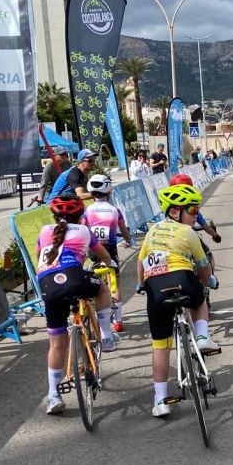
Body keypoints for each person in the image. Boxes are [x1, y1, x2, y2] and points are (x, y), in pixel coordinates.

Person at [137, 184, 220, 418]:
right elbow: (203, 266)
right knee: (199, 299)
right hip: (183, 280)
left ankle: (161, 400)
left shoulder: (152, 231)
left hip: (155, 288)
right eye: (192, 210)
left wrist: (141, 284)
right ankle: (202, 337)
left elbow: (141, 262)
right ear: (175, 212)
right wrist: (209, 282)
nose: (196, 215)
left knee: (160, 346)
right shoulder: (188, 233)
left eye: (197, 210)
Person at [36, 193, 115, 415]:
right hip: (74, 278)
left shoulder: (44, 231)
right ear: (80, 216)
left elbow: (38, 255)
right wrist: (110, 264)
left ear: (54, 216)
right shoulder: (84, 230)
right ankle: (107, 335)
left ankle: (53, 396)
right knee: (101, 288)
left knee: (56, 344)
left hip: (48, 284)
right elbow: (103, 256)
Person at [83, 173, 133, 333]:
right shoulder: (114, 210)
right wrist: (128, 241)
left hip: (93, 249)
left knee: (93, 280)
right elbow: (124, 231)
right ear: (108, 191)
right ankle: (118, 321)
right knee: (114, 283)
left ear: (91, 193)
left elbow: (83, 229)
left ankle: (95, 315)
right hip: (110, 249)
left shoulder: (87, 210)